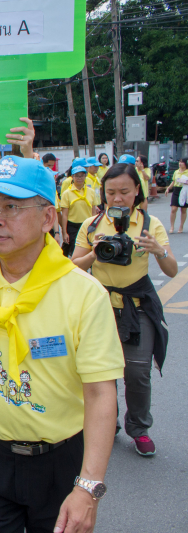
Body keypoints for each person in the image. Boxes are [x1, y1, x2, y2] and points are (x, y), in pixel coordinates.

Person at [0, 155, 123, 533]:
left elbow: (100, 393)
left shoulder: (84, 294)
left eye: (11, 207)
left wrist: (88, 487)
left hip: (58, 461)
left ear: (48, 218)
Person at [72, 162, 174, 457]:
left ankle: (139, 429)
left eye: (124, 192)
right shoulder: (91, 226)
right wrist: (94, 252)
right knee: (99, 372)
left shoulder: (149, 224)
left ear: (136, 193)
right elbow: (72, 267)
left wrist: (159, 250)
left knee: (138, 372)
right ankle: (108, 421)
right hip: (99, 306)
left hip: (137, 306)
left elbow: (170, 271)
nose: (117, 198)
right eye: (111, 192)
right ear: (102, 193)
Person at [60, 164, 100, 257]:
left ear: (85, 176)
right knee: (74, 250)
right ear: (72, 177)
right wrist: (64, 232)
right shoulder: (67, 193)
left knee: (88, 248)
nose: (79, 178)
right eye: (77, 175)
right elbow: (65, 214)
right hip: (73, 226)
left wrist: (94, 228)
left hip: (87, 225)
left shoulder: (91, 192)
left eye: (82, 175)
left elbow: (93, 211)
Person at [165, 158, 188, 233]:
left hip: (184, 190)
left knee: (183, 209)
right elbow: (173, 181)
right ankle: (172, 226)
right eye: (179, 162)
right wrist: (168, 188)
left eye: (182, 162)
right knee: (173, 209)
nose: (180, 163)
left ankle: (181, 226)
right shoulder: (176, 172)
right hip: (176, 190)